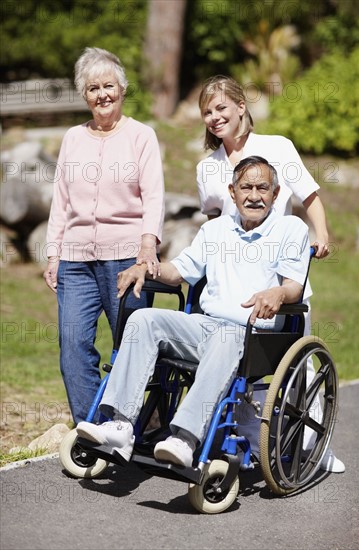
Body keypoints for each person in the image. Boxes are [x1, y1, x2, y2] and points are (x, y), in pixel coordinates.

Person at [76, 156, 311, 468]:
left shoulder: (290, 228)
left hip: (255, 335)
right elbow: (179, 272)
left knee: (228, 335)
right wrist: (146, 269)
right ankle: (119, 426)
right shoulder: (214, 230)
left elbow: (294, 287)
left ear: (275, 194)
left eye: (262, 188)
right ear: (232, 191)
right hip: (206, 326)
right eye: (246, 187)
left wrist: (278, 292)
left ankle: (184, 439)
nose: (254, 195)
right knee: (144, 318)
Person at [196, 75, 344, 473]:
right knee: (236, 363)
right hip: (232, 283)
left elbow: (308, 196)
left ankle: (314, 449)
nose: (214, 117)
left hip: (281, 274)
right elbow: (212, 223)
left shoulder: (276, 148)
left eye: (221, 108)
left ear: (241, 107)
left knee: (297, 367)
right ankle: (240, 435)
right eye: (207, 112)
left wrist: (322, 234)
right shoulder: (207, 169)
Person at [43, 47, 165, 424]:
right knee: (73, 347)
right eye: (93, 88)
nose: (102, 94)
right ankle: (91, 427)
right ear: (84, 95)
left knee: (132, 346)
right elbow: (60, 200)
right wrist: (53, 254)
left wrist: (147, 248)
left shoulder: (142, 136)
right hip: (75, 263)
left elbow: (154, 195)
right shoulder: (72, 138)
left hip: (126, 259)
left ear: (123, 88)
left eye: (108, 85)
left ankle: (133, 422)